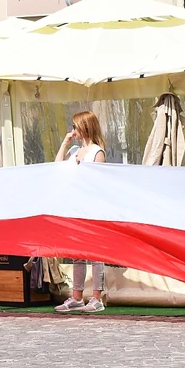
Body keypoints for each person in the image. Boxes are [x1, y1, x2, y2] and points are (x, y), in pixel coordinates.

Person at [54, 110, 107, 314]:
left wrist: (79, 166)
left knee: (95, 253)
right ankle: (77, 297)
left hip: (92, 208)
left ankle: (96, 297)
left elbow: (98, 181)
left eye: (75, 126)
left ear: (84, 127)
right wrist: (65, 144)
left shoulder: (97, 152)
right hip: (75, 207)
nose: (73, 130)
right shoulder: (75, 148)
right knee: (77, 254)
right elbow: (57, 167)